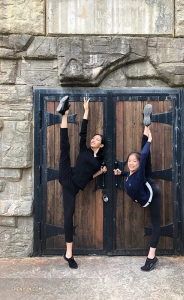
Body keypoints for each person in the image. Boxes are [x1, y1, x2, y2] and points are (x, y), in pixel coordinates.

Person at [56, 95, 107, 269]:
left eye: (97, 140)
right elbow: (83, 131)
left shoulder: (98, 161)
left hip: (73, 187)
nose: (93, 140)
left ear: (101, 145)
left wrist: (100, 172)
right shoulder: (84, 150)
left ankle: (68, 253)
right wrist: (86, 112)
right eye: (93, 138)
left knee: (68, 217)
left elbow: (88, 176)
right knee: (65, 146)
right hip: (66, 174)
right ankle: (63, 113)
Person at [114, 104, 161, 271]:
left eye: (134, 161)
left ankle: (151, 258)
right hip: (145, 181)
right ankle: (146, 124)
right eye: (130, 161)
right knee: (143, 158)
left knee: (156, 224)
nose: (131, 163)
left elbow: (145, 155)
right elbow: (130, 174)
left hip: (152, 193)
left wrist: (150, 141)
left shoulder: (139, 172)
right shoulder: (131, 173)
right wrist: (122, 173)